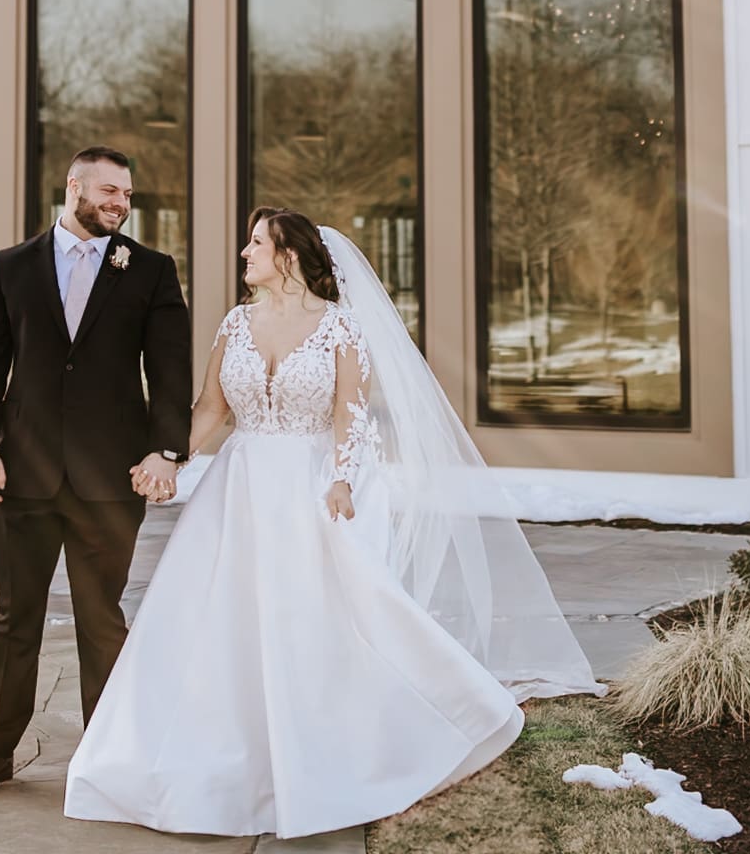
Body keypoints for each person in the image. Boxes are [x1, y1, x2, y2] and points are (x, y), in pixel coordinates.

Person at [64, 209, 601, 838]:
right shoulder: (235, 323)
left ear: (288, 257)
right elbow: (212, 410)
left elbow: (352, 414)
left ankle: (383, 734)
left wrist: (343, 479)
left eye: (256, 243)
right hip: (237, 491)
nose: (244, 252)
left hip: (308, 490)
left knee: (312, 619)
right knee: (214, 620)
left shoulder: (340, 329)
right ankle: (210, 763)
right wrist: (169, 459)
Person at [0, 146, 191, 795]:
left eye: (127, 195)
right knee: (13, 618)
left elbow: (170, 374)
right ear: (73, 186)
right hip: (18, 476)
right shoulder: (12, 267)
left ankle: (109, 759)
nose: (119, 204)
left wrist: (165, 450)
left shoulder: (151, 271)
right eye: (109, 191)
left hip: (109, 482)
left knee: (100, 618)